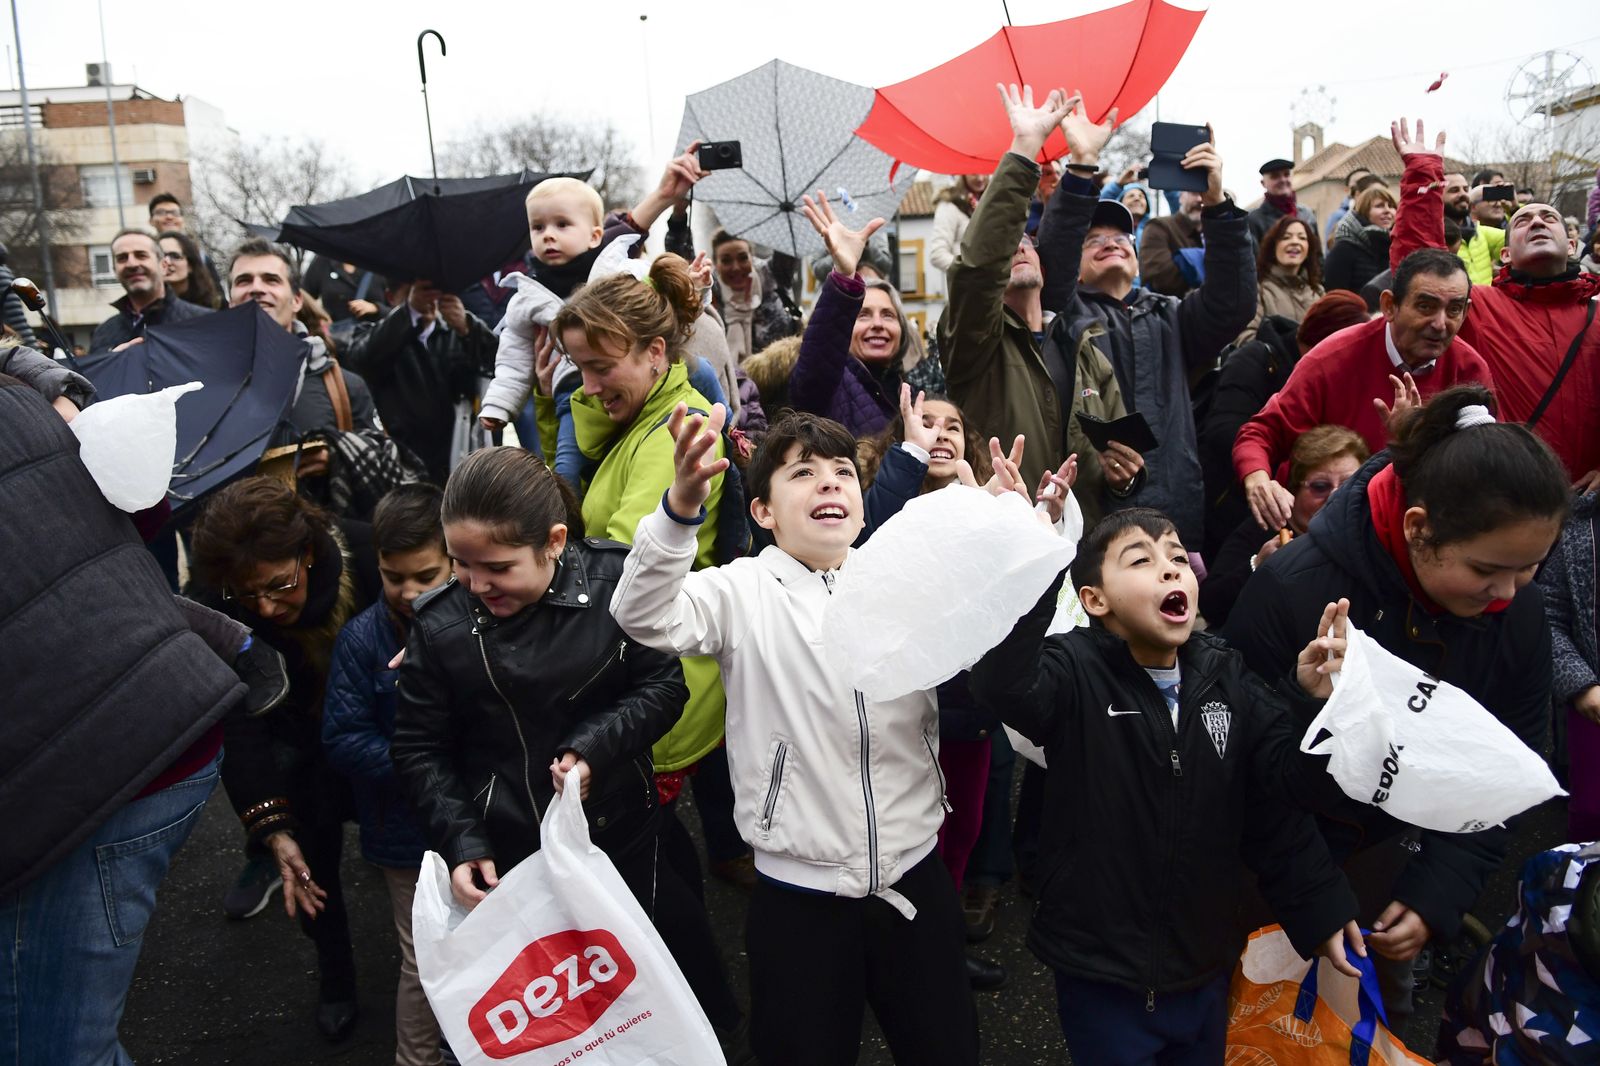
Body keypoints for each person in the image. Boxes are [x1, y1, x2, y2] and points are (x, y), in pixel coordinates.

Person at [611, 408, 984, 1066]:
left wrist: (1008, 528)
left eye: (843, 472)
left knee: (946, 1050)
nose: (830, 484)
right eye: (803, 473)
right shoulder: (739, 592)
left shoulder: (901, 584)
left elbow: (994, 642)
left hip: (915, 877)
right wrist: (679, 508)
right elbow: (641, 615)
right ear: (762, 512)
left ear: (864, 507)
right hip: (799, 895)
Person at [1222, 385, 1573, 1021]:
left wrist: (1439, 888)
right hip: (1265, 871)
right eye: (1488, 569)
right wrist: (1313, 897)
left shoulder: (1515, 604)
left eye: (1530, 569)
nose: (1508, 593)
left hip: (1385, 865)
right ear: (1417, 526)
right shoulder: (1291, 589)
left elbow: (1509, 760)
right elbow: (1241, 765)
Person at [385, 449, 748, 1058]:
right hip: (513, 861)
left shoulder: (618, 583)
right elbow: (420, 747)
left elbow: (665, 685)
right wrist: (463, 843)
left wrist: (592, 750)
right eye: (460, 564)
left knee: (661, 1006)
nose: (475, 585)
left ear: (554, 542)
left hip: (623, 841)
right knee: (565, 1034)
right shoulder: (439, 626)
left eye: (497, 567)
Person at [969, 507, 1362, 1063]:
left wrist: (1313, 704)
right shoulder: (1074, 671)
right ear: (1095, 600)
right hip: (1102, 972)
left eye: (1178, 557)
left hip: (1203, 962)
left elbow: (1283, 790)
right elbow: (1003, 686)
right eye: (1141, 560)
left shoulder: (1226, 675)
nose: (1170, 569)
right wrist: (1031, 565)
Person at [0, 370, 247, 1064]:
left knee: (48, 1048)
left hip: (86, 777)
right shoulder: (21, 394)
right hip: (151, 725)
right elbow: (138, 519)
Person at [546, 253, 743, 879]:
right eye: (579, 367)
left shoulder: (670, 433)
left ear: (656, 353)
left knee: (642, 863)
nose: (588, 385)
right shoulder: (634, 420)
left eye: (601, 367)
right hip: (643, 667)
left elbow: (623, 569)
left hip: (656, 676)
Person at [189, 476, 382, 1042]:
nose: (267, 607)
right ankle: (337, 980)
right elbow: (235, 719)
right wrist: (272, 826)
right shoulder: (218, 606)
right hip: (295, 747)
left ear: (307, 552)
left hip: (379, 736)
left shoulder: (368, 554)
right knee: (313, 868)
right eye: (250, 596)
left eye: (279, 585)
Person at [1038, 86, 1257, 551]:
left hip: (1176, 520)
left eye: (1122, 236)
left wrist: (1216, 203)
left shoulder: (1173, 316)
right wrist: (1080, 166)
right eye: (1093, 238)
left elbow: (1232, 302)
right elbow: (1052, 259)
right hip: (1092, 520)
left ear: (1137, 258)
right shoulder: (1062, 313)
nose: (1110, 241)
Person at [939, 85, 1138, 536]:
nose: (1019, 248)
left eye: (1027, 242)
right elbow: (976, 268)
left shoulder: (1086, 348)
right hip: (1006, 546)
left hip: (1083, 548)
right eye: (1009, 245)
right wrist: (1025, 149)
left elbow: (1111, 465)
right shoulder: (975, 345)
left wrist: (1123, 477)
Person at [479, 153, 717, 485]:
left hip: (636, 386)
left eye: (562, 225)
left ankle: (731, 433)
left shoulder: (618, 268)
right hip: (569, 393)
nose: (548, 235)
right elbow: (513, 357)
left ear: (594, 235)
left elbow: (671, 296)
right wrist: (499, 405)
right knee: (567, 474)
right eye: (538, 227)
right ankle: (570, 528)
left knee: (702, 372)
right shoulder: (525, 296)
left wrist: (696, 284)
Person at [1389, 117, 1600, 488]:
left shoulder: (1598, 314)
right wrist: (1423, 176)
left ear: (1571, 246)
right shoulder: (1479, 307)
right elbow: (1421, 268)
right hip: (1504, 496)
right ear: (1505, 254)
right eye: (1522, 221)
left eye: (1548, 217)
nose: (1536, 220)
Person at [322, 484, 450, 1066]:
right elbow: (344, 739)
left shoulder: (484, 619)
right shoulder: (360, 641)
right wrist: (422, 765)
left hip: (481, 819)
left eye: (425, 575)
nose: (408, 591)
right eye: (392, 575)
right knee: (423, 961)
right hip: (404, 836)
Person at [1198, 291, 1370, 557]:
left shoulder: (1339, 378)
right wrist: (1285, 467)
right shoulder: (1257, 359)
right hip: (1238, 502)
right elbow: (1223, 430)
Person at [789, 194, 945, 437]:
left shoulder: (915, 393)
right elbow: (820, 357)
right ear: (845, 327)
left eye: (888, 315)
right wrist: (843, 275)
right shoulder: (831, 384)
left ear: (903, 332)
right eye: (863, 316)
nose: (878, 325)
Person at [1200, 425, 1368, 627]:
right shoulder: (1266, 526)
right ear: (1294, 490)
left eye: (1348, 486)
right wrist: (1257, 566)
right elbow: (1211, 605)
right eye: (1320, 487)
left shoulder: (1369, 535)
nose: (1335, 496)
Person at [342, 275, 497, 483]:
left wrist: (468, 327)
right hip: (404, 464)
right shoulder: (378, 334)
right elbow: (361, 357)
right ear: (390, 297)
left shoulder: (453, 333)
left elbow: (497, 364)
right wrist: (409, 312)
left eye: (430, 294)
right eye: (414, 295)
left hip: (458, 457)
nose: (425, 302)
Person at [228, 237, 378, 443]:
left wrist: (339, 458)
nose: (256, 288)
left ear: (297, 301)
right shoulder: (202, 385)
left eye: (271, 279)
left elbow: (384, 462)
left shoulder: (345, 386)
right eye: (244, 280)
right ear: (230, 301)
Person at [1538, 490, 1600, 844]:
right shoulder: (1579, 528)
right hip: (1593, 705)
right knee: (1591, 816)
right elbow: (1549, 615)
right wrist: (1580, 685)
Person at [90, 228, 210, 352]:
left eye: (141, 255)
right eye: (122, 258)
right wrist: (112, 363)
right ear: (115, 270)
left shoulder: (203, 322)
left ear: (163, 266)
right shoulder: (102, 333)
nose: (132, 264)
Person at [711, 229, 802, 362]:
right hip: (730, 380)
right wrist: (678, 217)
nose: (736, 267)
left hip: (785, 375)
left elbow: (789, 239)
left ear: (752, 257)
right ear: (715, 264)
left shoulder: (773, 274)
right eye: (726, 261)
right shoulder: (708, 292)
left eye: (743, 258)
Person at [1237, 215, 1325, 343]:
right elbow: (1245, 338)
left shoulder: (1318, 292)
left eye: (1302, 238)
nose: (1295, 242)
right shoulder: (1258, 291)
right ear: (1273, 247)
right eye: (1286, 237)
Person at [1323, 184, 1396, 306]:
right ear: (1364, 211)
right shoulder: (1344, 248)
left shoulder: (1394, 246)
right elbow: (1335, 298)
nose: (1387, 211)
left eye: (1392, 206)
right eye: (1379, 206)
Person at [1442, 172, 1507, 285]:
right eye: (1454, 190)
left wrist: (1513, 206)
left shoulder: (1480, 232)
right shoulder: (1430, 237)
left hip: (1484, 302)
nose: (1463, 194)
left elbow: (1519, 238)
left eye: (1466, 189)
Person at [1138, 189, 1205, 297]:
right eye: (1194, 193)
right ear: (1181, 197)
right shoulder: (1158, 226)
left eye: (1205, 194)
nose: (1200, 199)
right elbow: (1161, 280)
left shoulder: (1217, 234)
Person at [1247, 157, 1318, 245]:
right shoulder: (1254, 220)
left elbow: (1317, 253)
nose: (1283, 180)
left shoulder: (1307, 214)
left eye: (1286, 174)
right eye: (1275, 176)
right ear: (1263, 183)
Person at [929, 173, 990, 273]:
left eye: (983, 171)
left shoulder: (992, 203)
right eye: (973, 173)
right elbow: (937, 254)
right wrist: (969, 271)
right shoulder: (949, 206)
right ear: (962, 175)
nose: (980, 178)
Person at [159, 231, 221, 310]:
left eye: (174, 256)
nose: (166, 261)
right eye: (160, 256)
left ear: (191, 264)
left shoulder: (215, 306)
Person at [1326, 174, 1391, 250]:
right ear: (1358, 195)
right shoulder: (1343, 224)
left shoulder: (1389, 225)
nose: (1379, 199)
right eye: (1374, 193)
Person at [1323, 167, 1374, 245]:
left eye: (1368, 182)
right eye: (1359, 184)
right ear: (1348, 190)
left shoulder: (1380, 213)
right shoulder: (1339, 216)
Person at [0, 241, 37, 345]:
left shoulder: (1, 275)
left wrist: (20, 339)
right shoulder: (5, 271)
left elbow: (12, 314)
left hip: (13, 341)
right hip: (20, 338)